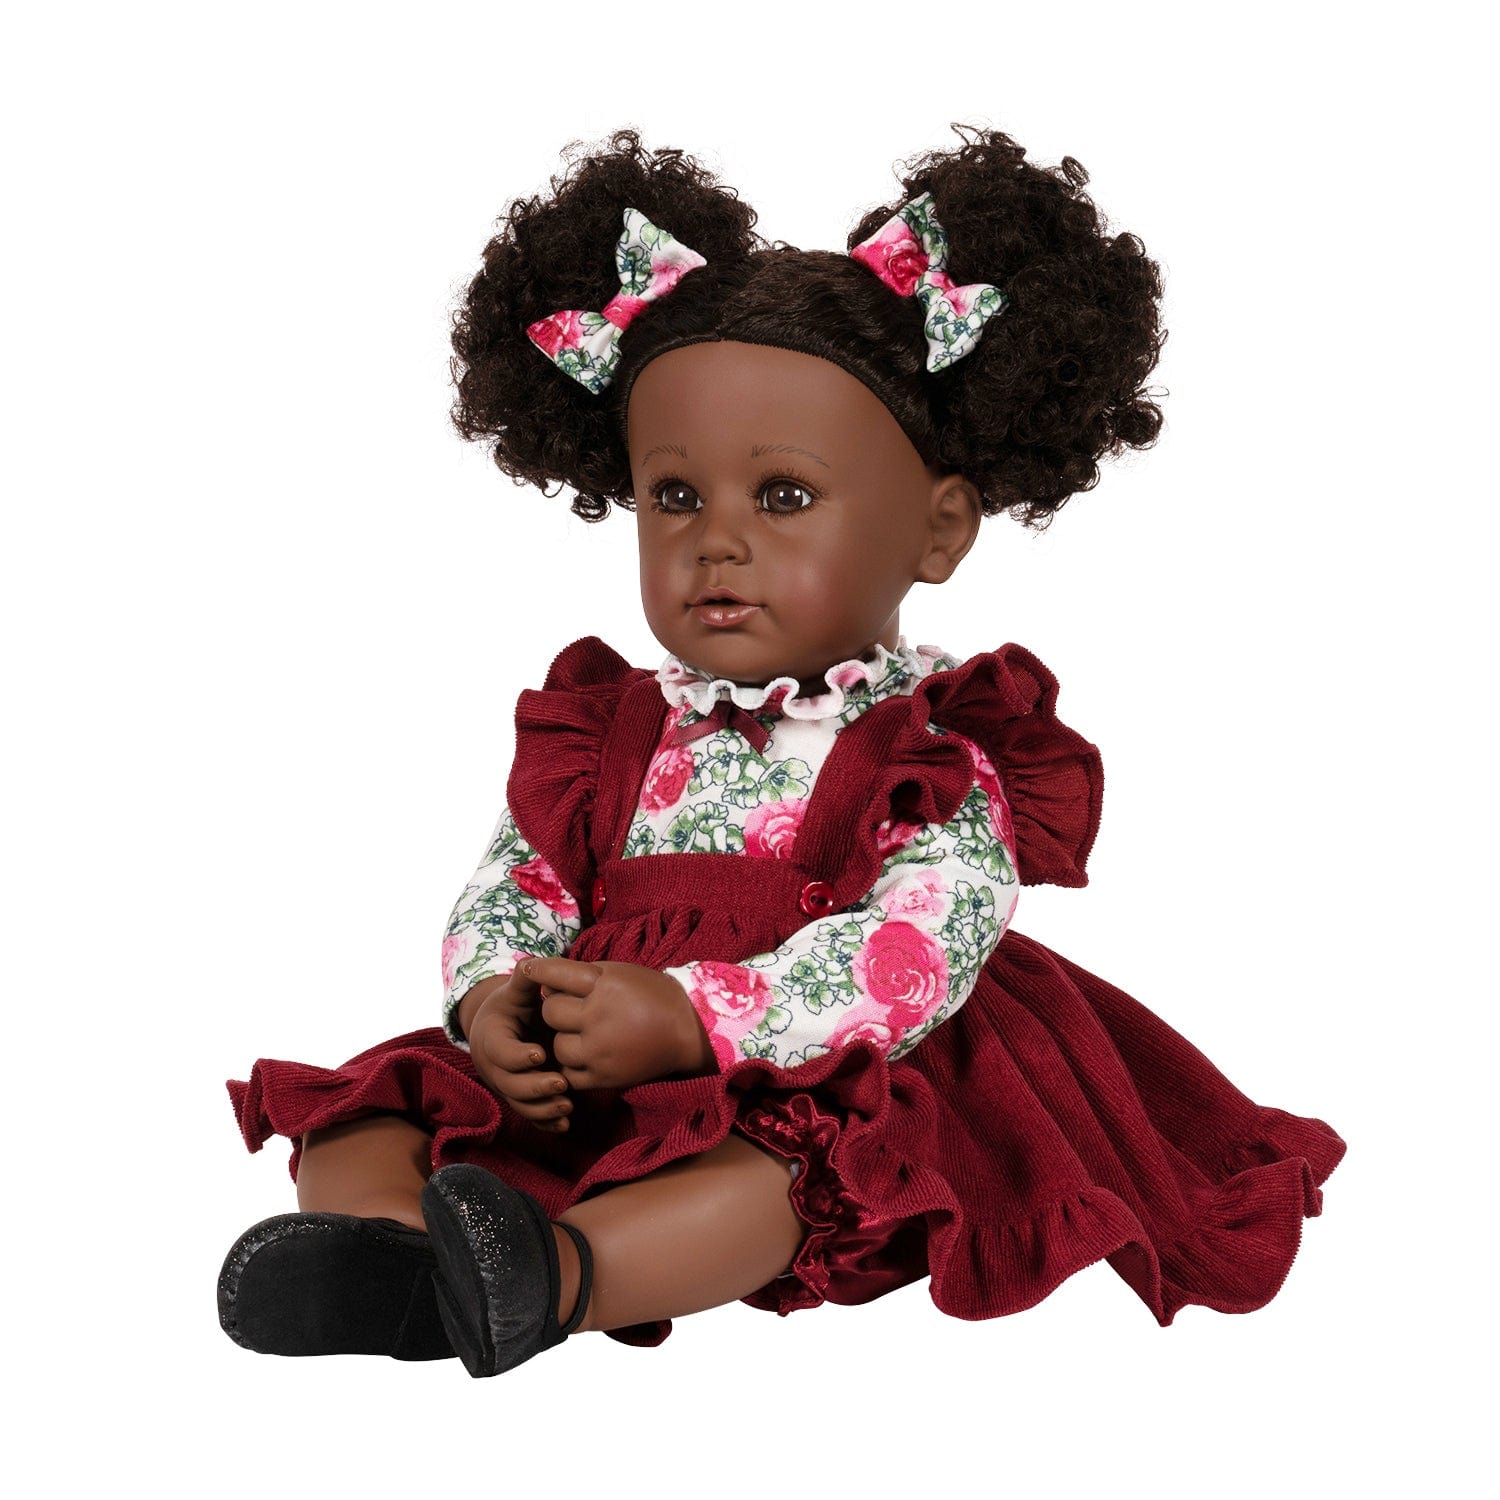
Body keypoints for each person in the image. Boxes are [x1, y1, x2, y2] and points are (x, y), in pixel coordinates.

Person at [219, 125, 1345, 1378]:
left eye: (785, 496)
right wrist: (498, 1005)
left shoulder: (933, 757)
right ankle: (390, 1260)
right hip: (592, 1064)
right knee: (377, 1105)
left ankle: (559, 1274)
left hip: (818, 1059)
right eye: (676, 496)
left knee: (793, 1174)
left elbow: (909, 957)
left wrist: (694, 1019)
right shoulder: (605, 733)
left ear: (938, 530)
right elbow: (517, 884)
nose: (717, 540)